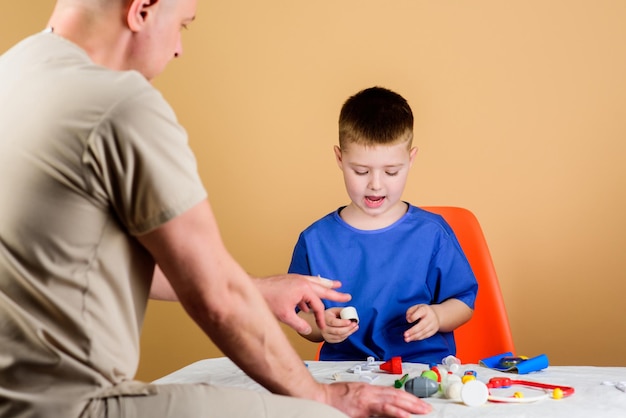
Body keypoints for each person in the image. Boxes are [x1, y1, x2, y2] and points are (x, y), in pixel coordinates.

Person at [0, 1, 432, 418]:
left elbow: (83, 263)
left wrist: (259, 290)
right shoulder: (120, 105)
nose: (178, 48)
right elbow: (217, 299)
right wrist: (319, 398)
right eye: (182, 25)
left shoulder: (14, 72)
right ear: (142, 8)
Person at [288, 86, 478, 364]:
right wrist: (321, 326)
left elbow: (463, 301)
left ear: (410, 160)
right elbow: (298, 311)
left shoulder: (433, 234)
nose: (375, 184)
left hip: (420, 369)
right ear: (340, 158)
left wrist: (437, 317)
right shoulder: (315, 240)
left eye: (391, 171)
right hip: (345, 374)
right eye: (361, 171)